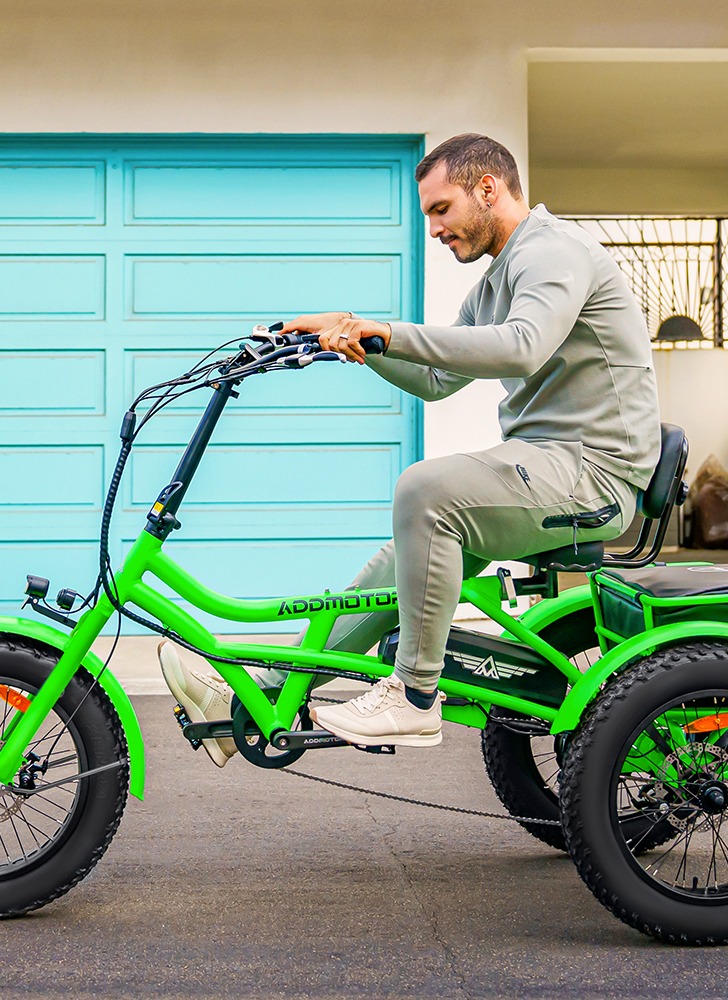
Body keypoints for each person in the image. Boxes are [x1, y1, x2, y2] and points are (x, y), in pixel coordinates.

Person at [160, 133, 662, 766]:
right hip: (550, 463)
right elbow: (436, 379)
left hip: (594, 472)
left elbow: (522, 345)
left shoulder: (551, 252)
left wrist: (388, 330)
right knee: (399, 560)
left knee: (425, 490)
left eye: (440, 209)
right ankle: (267, 691)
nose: (434, 229)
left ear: (487, 188)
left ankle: (415, 697)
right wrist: (359, 342)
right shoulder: (501, 273)